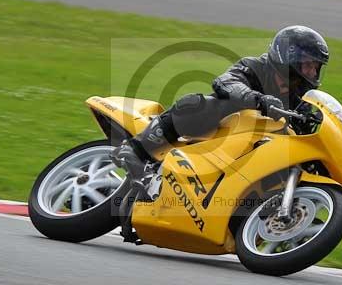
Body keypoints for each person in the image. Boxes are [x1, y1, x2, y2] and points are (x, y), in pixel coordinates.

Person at [111, 25, 329, 180]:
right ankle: (137, 149)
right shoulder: (254, 67)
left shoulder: (301, 98)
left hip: (249, 153)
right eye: (308, 64)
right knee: (196, 103)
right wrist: (258, 100)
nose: (312, 71)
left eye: (316, 67)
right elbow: (226, 82)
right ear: (289, 56)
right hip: (218, 131)